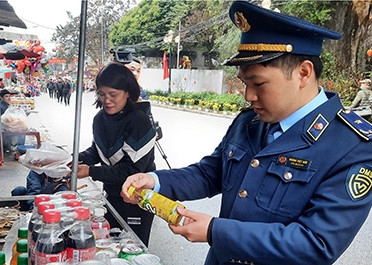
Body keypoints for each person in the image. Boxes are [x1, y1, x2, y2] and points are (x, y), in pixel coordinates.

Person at [121, 2, 372, 264]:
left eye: (258, 83)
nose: (249, 96)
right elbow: (210, 173)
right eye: (245, 83)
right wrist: (155, 181)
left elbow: (317, 243)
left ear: (303, 73)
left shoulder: (352, 145)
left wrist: (215, 231)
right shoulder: (250, 121)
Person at [12, 62, 157, 246]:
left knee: (133, 247)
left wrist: (90, 171)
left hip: (137, 198)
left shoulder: (138, 121)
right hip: (112, 194)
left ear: (128, 92)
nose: (107, 100)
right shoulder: (101, 118)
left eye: (113, 95)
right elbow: (97, 152)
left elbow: (131, 170)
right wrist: (65, 160)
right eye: (102, 94)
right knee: (111, 242)